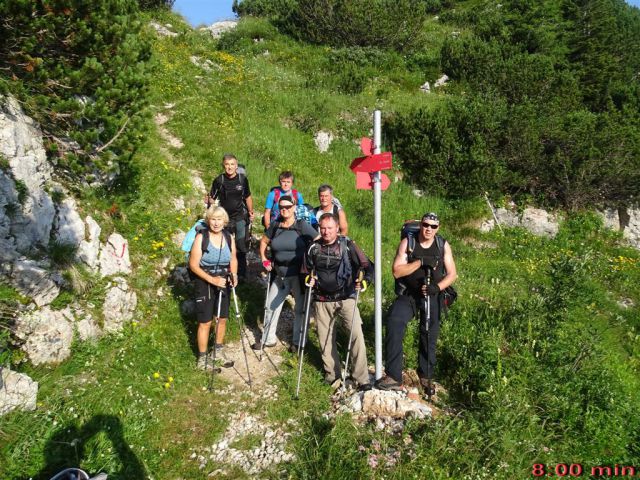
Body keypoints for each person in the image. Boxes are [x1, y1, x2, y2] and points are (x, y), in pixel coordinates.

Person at [376, 212, 457, 394]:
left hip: (432, 294)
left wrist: (437, 287)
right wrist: (420, 262)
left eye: (433, 226)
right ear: (421, 225)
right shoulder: (409, 243)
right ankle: (394, 376)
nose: (429, 229)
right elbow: (397, 271)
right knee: (395, 321)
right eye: (426, 225)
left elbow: (452, 274)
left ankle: (426, 375)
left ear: (438, 228)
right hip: (409, 294)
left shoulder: (442, 245)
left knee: (429, 333)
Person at [302, 213, 373, 391]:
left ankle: (361, 378)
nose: (326, 232)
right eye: (322, 228)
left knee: (356, 335)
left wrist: (364, 282)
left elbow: (367, 266)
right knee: (325, 339)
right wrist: (307, 280)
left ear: (337, 228)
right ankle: (332, 375)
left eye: (329, 228)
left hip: (346, 297)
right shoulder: (313, 248)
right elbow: (305, 270)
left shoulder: (347, 245)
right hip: (321, 299)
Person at [253, 195, 318, 352]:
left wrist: (313, 260)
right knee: (270, 306)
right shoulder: (275, 226)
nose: (285, 210)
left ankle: (298, 342)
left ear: (294, 207)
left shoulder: (302, 225)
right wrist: (264, 258)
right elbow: (263, 241)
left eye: (288, 207)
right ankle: (268, 339)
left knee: (300, 308)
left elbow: (318, 239)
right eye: (282, 207)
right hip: (278, 273)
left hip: (299, 275)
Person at [189, 206, 238, 370]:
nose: (216, 223)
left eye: (219, 219)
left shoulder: (229, 237)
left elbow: (233, 258)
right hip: (204, 282)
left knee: (222, 318)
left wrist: (235, 275)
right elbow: (193, 265)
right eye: (213, 219)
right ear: (208, 220)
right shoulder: (201, 238)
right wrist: (212, 280)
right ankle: (202, 359)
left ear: (224, 221)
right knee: (205, 322)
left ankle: (217, 351)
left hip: (224, 281)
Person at [208, 153, 254, 280]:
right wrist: (210, 205)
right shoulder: (219, 180)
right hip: (224, 219)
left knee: (241, 245)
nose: (229, 167)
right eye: (227, 164)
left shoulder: (242, 179)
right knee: (225, 244)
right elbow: (211, 198)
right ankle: (226, 272)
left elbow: (248, 197)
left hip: (240, 217)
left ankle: (242, 274)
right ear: (223, 165)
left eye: (232, 164)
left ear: (236, 165)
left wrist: (251, 212)